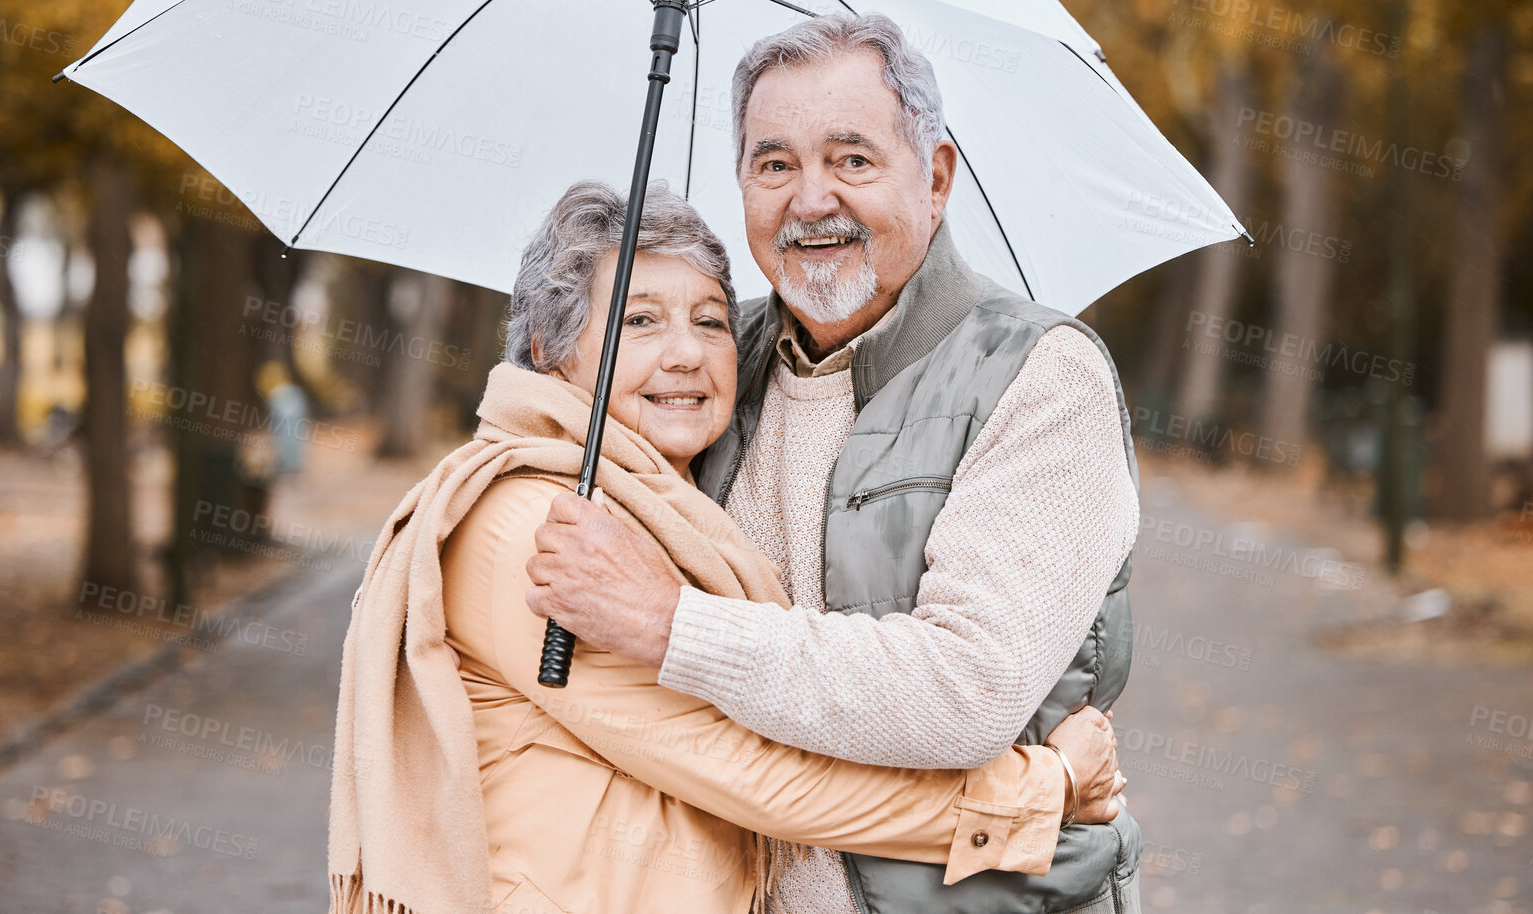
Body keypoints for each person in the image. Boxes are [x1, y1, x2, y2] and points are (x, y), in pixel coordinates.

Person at [327, 181, 1125, 914]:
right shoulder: (538, 532)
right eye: (639, 320)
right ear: (546, 345)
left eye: (710, 319)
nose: (685, 352)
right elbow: (754, 772)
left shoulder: (650, 512)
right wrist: (1038, 790)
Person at [526, 13, 1145, 914]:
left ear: (932, 179)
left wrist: (670, 627)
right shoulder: (706, 361)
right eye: (774, 164)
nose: (810, 200)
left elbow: (963, 691)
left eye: (852, 159)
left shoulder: (1040, 376)